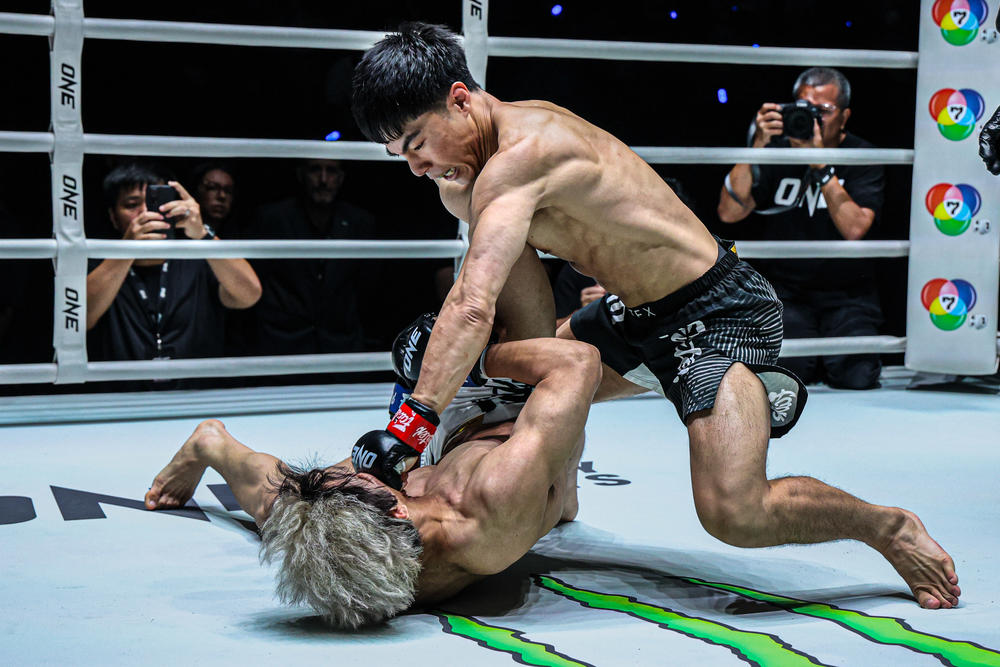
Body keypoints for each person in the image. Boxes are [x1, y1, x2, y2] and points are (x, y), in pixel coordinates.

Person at [348, 22, 960, 610]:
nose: (415, 167)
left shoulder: (523, 155)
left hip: (719, 313)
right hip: (633, 316)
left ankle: (887, 527)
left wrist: (412, 425)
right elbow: (495, 286)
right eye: (400, 155)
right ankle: (564, 492)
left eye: (417, 144)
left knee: (735, 511)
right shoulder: (484, 171)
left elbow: (472, 303)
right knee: (526, 375)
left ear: (460, 99)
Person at [143, 314, 600, 627]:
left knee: (286, 505)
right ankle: (562, 492)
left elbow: (324, 514)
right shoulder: (489, 499)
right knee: (532, 299)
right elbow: (579, 364)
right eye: (361, 482)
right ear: (398, 510)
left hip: (446, 456)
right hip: (498, 421)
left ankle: (210, 443)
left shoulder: (357, 564)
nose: (352, 468)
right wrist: (464, 365)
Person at [717, 67, 885, 390]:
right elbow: (729, 212)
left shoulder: (864, 156)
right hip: (787, 292)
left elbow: (854, 228)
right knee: (788, 373)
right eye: (805, 109)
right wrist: (755, 147)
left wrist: (820, 164)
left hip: (848, 294)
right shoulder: (776, 151)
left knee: (857, 374)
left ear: (845, 116)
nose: (813, 119)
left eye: (823, 111)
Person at [86, 162, 261, 387]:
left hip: (196, 397)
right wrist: (127, 250)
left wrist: (202, 234)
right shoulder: (101, 264)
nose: (146, 213)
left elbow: (249, 295)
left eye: (155, 203)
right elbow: (80, 319)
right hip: (122, 399)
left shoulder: (199, 258)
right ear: (113, 217)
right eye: (132, 205)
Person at [242, 158, 377, 364]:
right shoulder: (272, 219)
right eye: (315, 170)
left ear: (341, 178)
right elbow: (255, 284)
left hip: (341, 348)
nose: (323, 179)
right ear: (301, 175)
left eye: (331, 171)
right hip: (281, 347)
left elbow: (366, 288)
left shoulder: (360, 223)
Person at [191, 161, 238, 238]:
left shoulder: (243, 236)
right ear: (197, 191)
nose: (222, 196)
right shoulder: (177, 235)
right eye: (212, 188)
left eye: (228, 190)